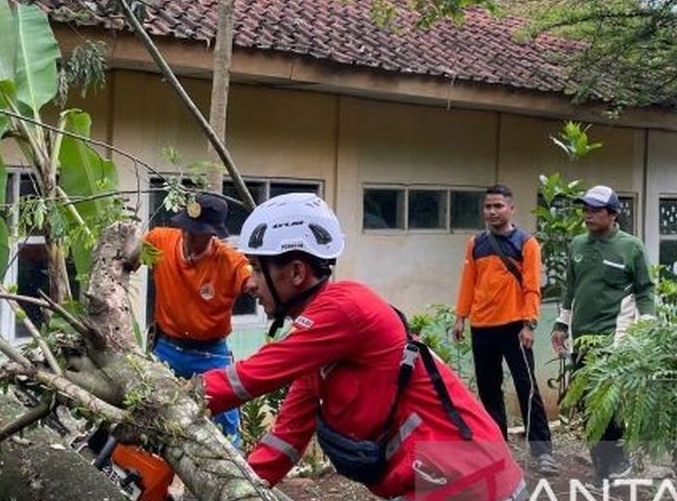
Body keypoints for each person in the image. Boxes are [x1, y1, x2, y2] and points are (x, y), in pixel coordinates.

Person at [201, 193, 527, 500]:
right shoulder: (321, 345)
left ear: (297, 271)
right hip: (447, 479)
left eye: (258, 268)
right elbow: (286, 438)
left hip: (468, 479)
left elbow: (250, 378)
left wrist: (166, 397)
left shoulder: (344, 309)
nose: (251, 284)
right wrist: (233, 488)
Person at [550, 184, 655, 480]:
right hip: (581, 339)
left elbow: (645, 290)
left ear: (613, 214)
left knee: (608, 404)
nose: (587, 215)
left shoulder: (630, 247)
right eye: (585, 209)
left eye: (594, 210)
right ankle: (601, 464)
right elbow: (570, 288)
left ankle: (616, 460)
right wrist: (561, 324)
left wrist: (647, 327)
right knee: (586, 404)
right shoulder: (577, 245)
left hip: (615, 340)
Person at [453, 184, 556, 474]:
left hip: (515, 327)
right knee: (489, 390)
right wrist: (461, 317)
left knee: (527, 388)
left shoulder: (527, 243)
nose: (492, 211)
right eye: (488, 207)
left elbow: (533, 287)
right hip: (482, 327)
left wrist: (529, 324)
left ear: (511, 208)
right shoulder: (476, 243)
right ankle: (497, 451)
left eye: (498, 206)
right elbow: (468, 282)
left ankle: (542, 452)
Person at [145, 191, 251, 445]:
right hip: (165, 348)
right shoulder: (159, 241)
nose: (190, 235)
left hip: (210, 355)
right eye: (186, 228)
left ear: (214, 233)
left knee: (227, 429)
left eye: (198, 232)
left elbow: (254, 282)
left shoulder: (230, 262)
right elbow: (126, 255)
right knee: (149, 417)